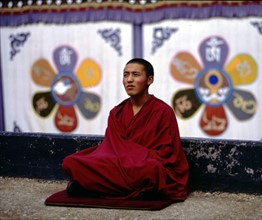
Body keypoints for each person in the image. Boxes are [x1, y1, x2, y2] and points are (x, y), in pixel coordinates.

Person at [62, 58, 189, 201]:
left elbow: (168, 154)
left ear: (150, 79)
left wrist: (133, 157)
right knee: (70, 162)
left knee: (152, 169)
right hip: (118, 164)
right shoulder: (116, 113)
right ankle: (134, 190)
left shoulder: (163, 111)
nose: (129, 80)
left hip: (143, 166)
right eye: (125, 75)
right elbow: (109, 148)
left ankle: (92, 187)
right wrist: (124, 158)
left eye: (135, 75)